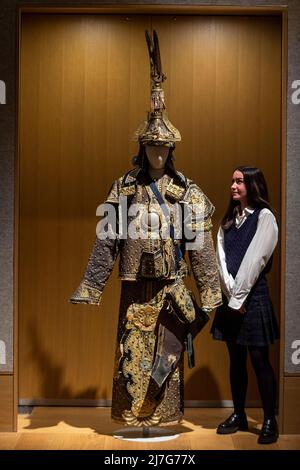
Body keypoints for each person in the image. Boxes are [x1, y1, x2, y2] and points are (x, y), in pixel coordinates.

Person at [70, 30, 222, 427]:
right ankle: (132, 419)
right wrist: (91, 285)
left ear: (171, 150)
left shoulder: (185, 191)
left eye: (163, 147)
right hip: (135, 287)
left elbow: (201, 243)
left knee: (166, 357)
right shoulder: (125, 187)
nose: (157, 152)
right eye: (151, 146)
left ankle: (164, 419)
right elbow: (107, 240)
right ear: (142, 147)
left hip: (171, 287)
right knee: (132, 354)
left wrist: (208, 290)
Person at [211, 166, 280, 444]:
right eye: (232, 181)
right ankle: (239, 414)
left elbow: (256, 260)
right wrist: (230, 297)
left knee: (260, 360)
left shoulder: (265, 217)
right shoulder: (228, 220)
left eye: (239, 181)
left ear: (252, 185)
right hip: (231, 300)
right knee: (235, 360)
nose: (233, 186)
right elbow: (220, 259)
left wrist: (239, 297)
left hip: (254, 297)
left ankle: (269, 420)